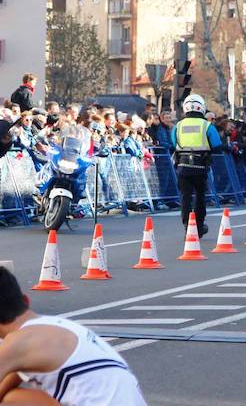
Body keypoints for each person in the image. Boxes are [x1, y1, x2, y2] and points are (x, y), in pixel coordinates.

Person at [0, 267, 147, 405]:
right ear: (26, 300)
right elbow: (15, 372)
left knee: (11, 400)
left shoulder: (16, 344)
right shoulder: (54, 326)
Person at [172, 94, 222, 238]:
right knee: (200, 196)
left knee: (185, 196)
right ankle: (199, 226)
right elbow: (217, 145)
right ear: (202, 108)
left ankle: (187, 224)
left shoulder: (178, 126)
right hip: (201, 166)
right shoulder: (207, 126)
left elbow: (172, 143)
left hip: (182, 165)